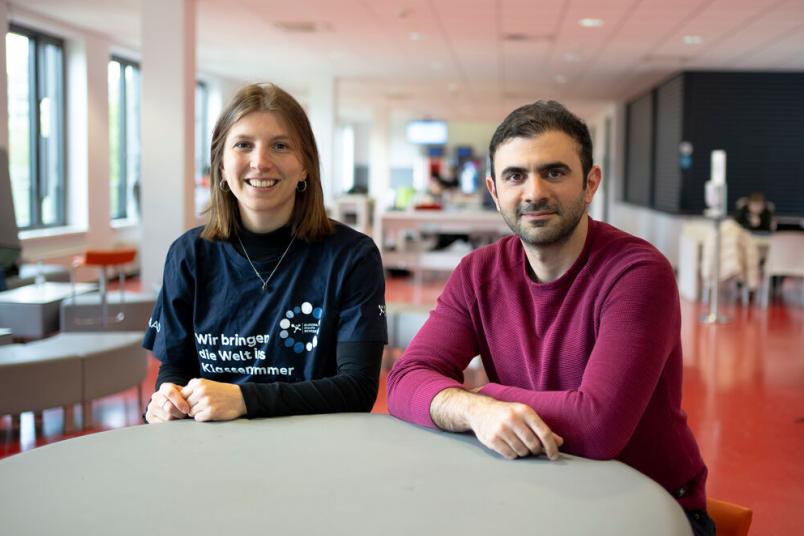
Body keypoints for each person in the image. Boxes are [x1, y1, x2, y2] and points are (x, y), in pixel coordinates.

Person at [387, 101, 714, 535]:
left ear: (590, 183)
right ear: (494, 189)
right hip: (536, 494)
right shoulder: (478, 273)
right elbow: (405, 379)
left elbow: (598, 427)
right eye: (515, 175)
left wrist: (484, 395)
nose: (534, 192)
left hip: (646, 508)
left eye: (554, 172)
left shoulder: (638, 272)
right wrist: (473, 410)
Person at [143, 83, 387, 424]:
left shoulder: (352, 256)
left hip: (316, 451)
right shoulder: (188, 255)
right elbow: (176, 367)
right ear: (222, 165)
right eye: (243, 145)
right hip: (209, 451)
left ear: (305, 166)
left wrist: (244, 399)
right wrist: (166, 398)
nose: (260, 162)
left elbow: (358, 388)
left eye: (280, 146)